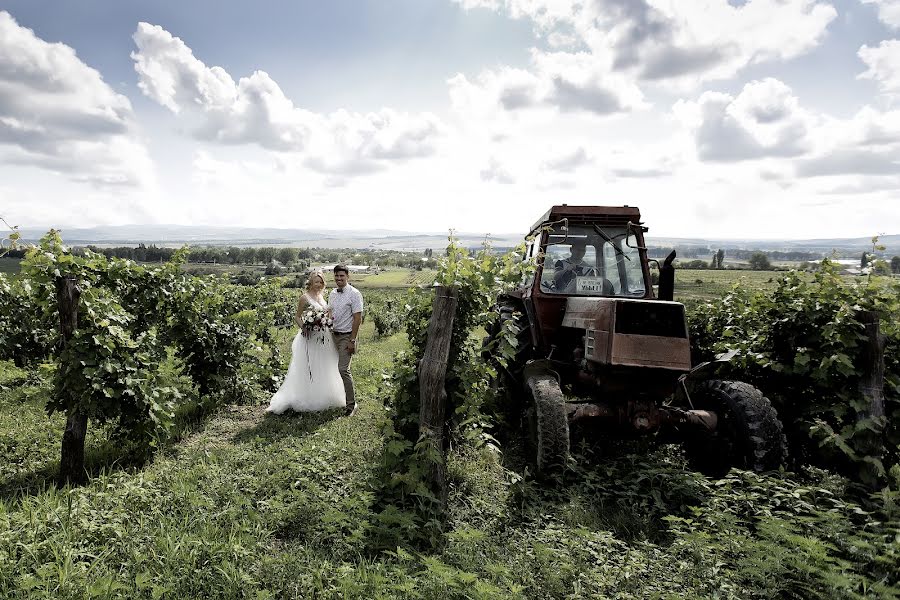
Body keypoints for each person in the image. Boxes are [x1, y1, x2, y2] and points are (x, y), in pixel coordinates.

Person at [265, 270, 346, 414]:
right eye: (316, 282)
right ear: (311, 282)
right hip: (309, 338)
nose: (319, 284)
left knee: (325, 364)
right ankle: (309, 396)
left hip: (323, 336)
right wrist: (304, 328)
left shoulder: (322, 296)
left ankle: (326, 393)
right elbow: (297, 316)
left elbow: (326, 314)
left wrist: (327, 321)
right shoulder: (304, 297)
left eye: (321, 282)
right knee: (311, 366)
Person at [328, 264, 364, 416]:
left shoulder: (355, 294)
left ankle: (351, 404)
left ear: (348, 276)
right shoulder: (332, 293)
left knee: (343, 369)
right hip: (332, 335)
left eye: (342, 276)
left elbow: (357, 318)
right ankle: (337, 396)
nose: (339, 278)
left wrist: (352, 340)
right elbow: (330, 312)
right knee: (334, 368)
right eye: (336, 276)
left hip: (346, 336)